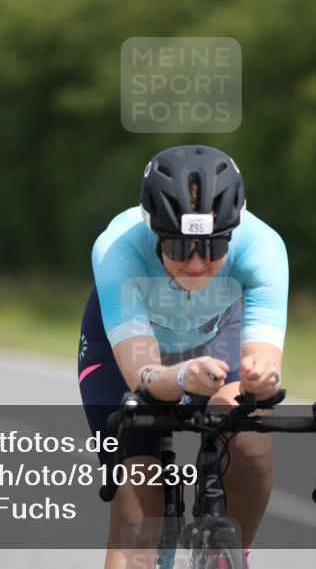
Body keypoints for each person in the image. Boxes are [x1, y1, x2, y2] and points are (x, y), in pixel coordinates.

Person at [78, 145, 288, 568]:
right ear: (152, 231)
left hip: (215, 333)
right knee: (138, 505)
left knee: (250, 440)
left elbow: (263, 363)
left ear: (234, 230)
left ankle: (232, 554)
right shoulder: (117, 249)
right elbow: (143, 375)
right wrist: (184, 376)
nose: (195, 263)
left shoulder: (264, 247)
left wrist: (260, 381)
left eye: (212, 248)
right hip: (124, 349)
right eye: (177, 246)